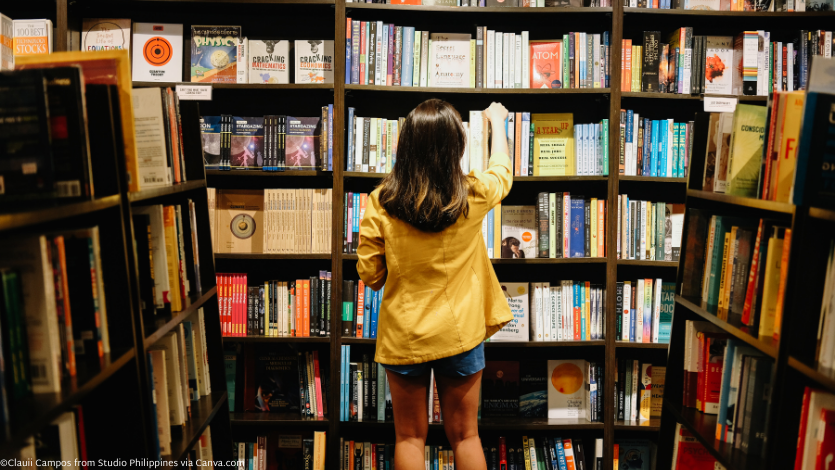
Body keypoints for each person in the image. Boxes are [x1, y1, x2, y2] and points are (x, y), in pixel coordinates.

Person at [357, 99, 514, 470]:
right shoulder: (471, 196)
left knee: (409, 438)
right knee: (465, 436)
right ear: (455, 147)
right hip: (460, 333)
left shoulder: (382, 202)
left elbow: (370, 274)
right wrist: (497, 123)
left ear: (406, 144)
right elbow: (503, 172)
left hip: (404, 335)